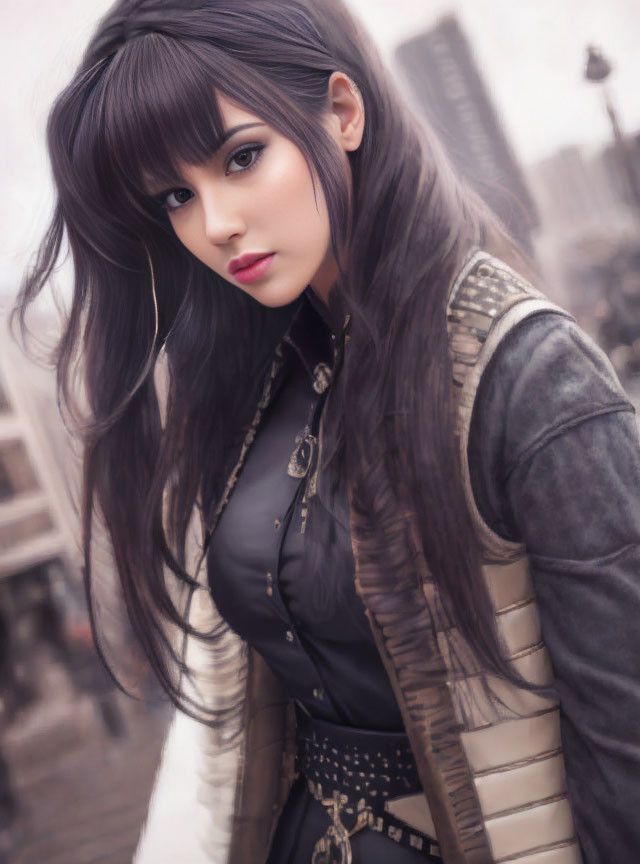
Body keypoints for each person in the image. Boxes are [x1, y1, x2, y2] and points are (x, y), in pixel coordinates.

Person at [13, 1, 640, 862]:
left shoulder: (527, 374)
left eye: (241, 157)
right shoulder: (257, 377)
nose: (216, 223)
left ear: (342, 112)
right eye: (175, 196)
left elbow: (627, 753)